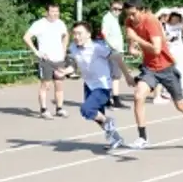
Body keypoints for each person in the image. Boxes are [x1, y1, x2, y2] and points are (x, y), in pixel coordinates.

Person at [123, 0, 183, 149]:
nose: (131, 18)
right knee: (138, 96)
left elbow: (156, 49)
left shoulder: (151, 22)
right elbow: (131, 39)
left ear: (142, 10)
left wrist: (137, 39)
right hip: (149, 68)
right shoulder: (129, 21)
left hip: (166, 67)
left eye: (134, 14)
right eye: (128, 14)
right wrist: (132, 47)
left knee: (180, 105)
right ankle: (142, 137)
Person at [54, 22, 134, 150]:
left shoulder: (97, 48)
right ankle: (116, 138)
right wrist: (65, 71)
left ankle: (109, 121)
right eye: (74, 33)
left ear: (88, 35)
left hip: (102, 86)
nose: (76, 36)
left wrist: (127, 76)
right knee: (97, 116)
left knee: (87, 110)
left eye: (79, 33)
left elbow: (117, 57)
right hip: (89, 85)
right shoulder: (73, 47)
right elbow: (73, 66)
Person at [23, 3, 70, 119]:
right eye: (52, 11)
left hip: (59, 59)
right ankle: (43, 109)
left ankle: (59, 108)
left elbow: (66, 35)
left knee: (59, 85)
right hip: (46, 60)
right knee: (46, 85)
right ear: (47, 12)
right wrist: (36, 52)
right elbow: (26, 37)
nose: (55, 14)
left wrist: (64, 50)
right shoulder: (39, 24)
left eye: (57, 12)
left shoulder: (60, 23)